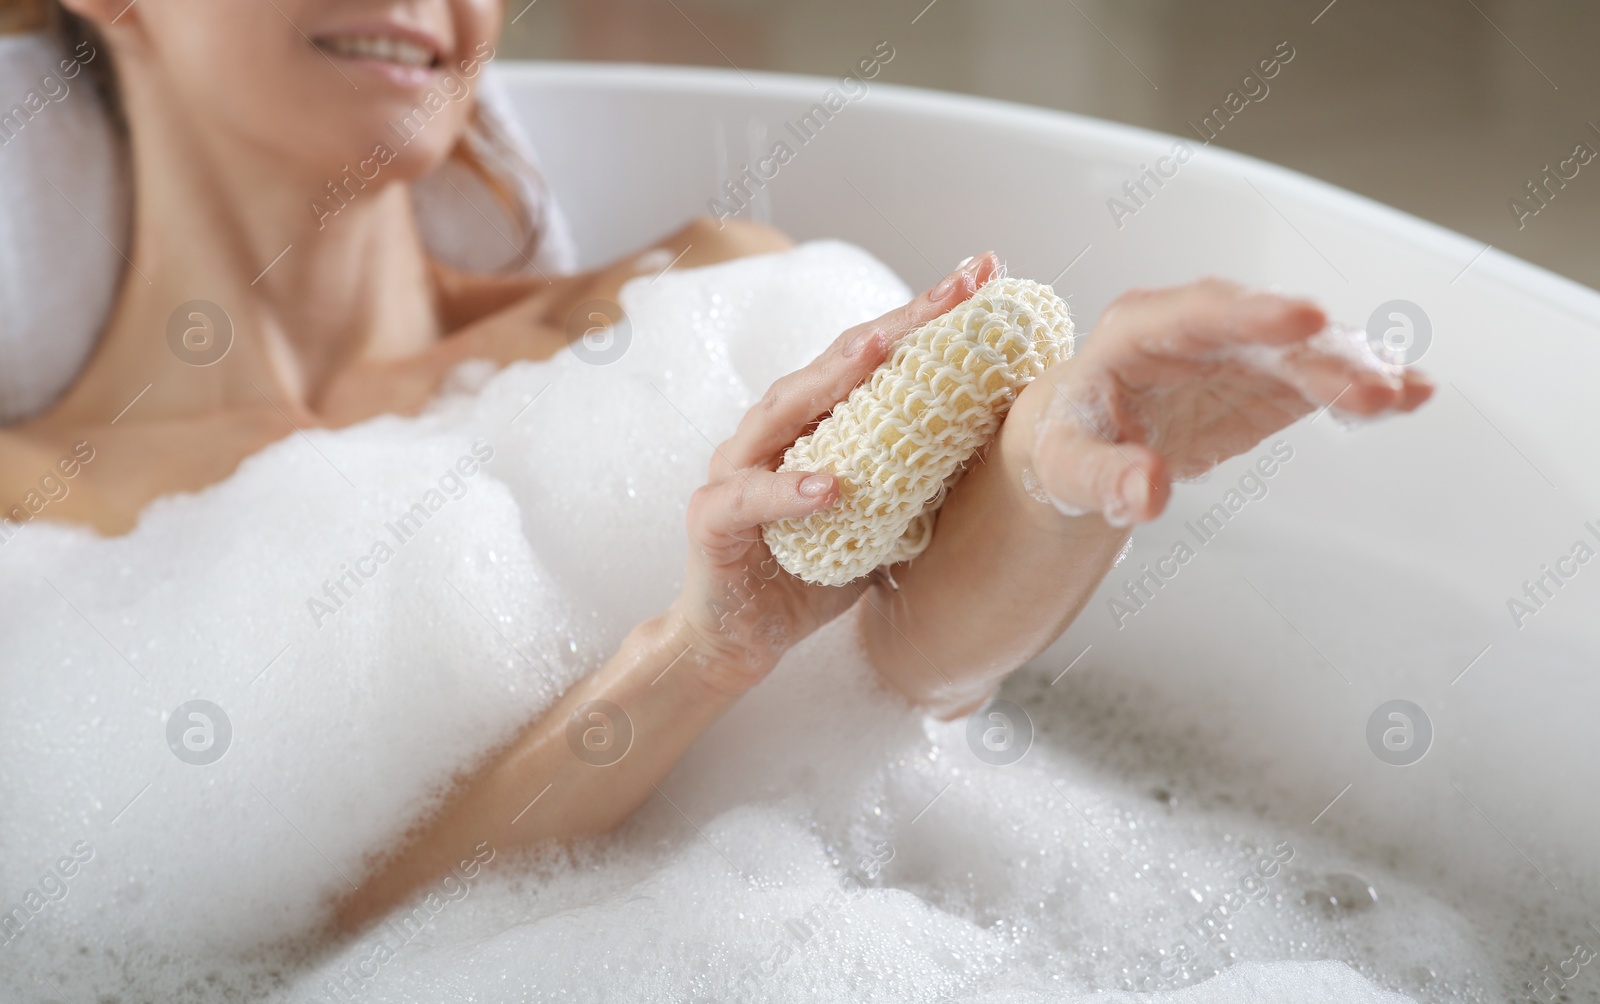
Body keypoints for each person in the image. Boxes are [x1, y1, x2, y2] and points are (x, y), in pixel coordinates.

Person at [0, 0, 1431, 931]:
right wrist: (701, 654)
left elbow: (913, 664)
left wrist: (1065, 476)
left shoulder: (691, 299)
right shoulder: (34, 515)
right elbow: (274, 963)